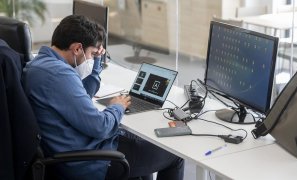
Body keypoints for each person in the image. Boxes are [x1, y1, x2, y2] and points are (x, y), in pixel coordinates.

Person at [22, 15, 184, 180]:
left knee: (141, 144)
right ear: (77, 48)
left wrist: (97, 60)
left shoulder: (39, 65)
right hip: (90, 161)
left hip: (73, 149)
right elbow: (100, 127)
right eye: (92, 54)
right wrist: (118, 106)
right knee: (175, 153)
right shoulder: (59, 74)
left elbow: (85, 95)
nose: (91, 58)